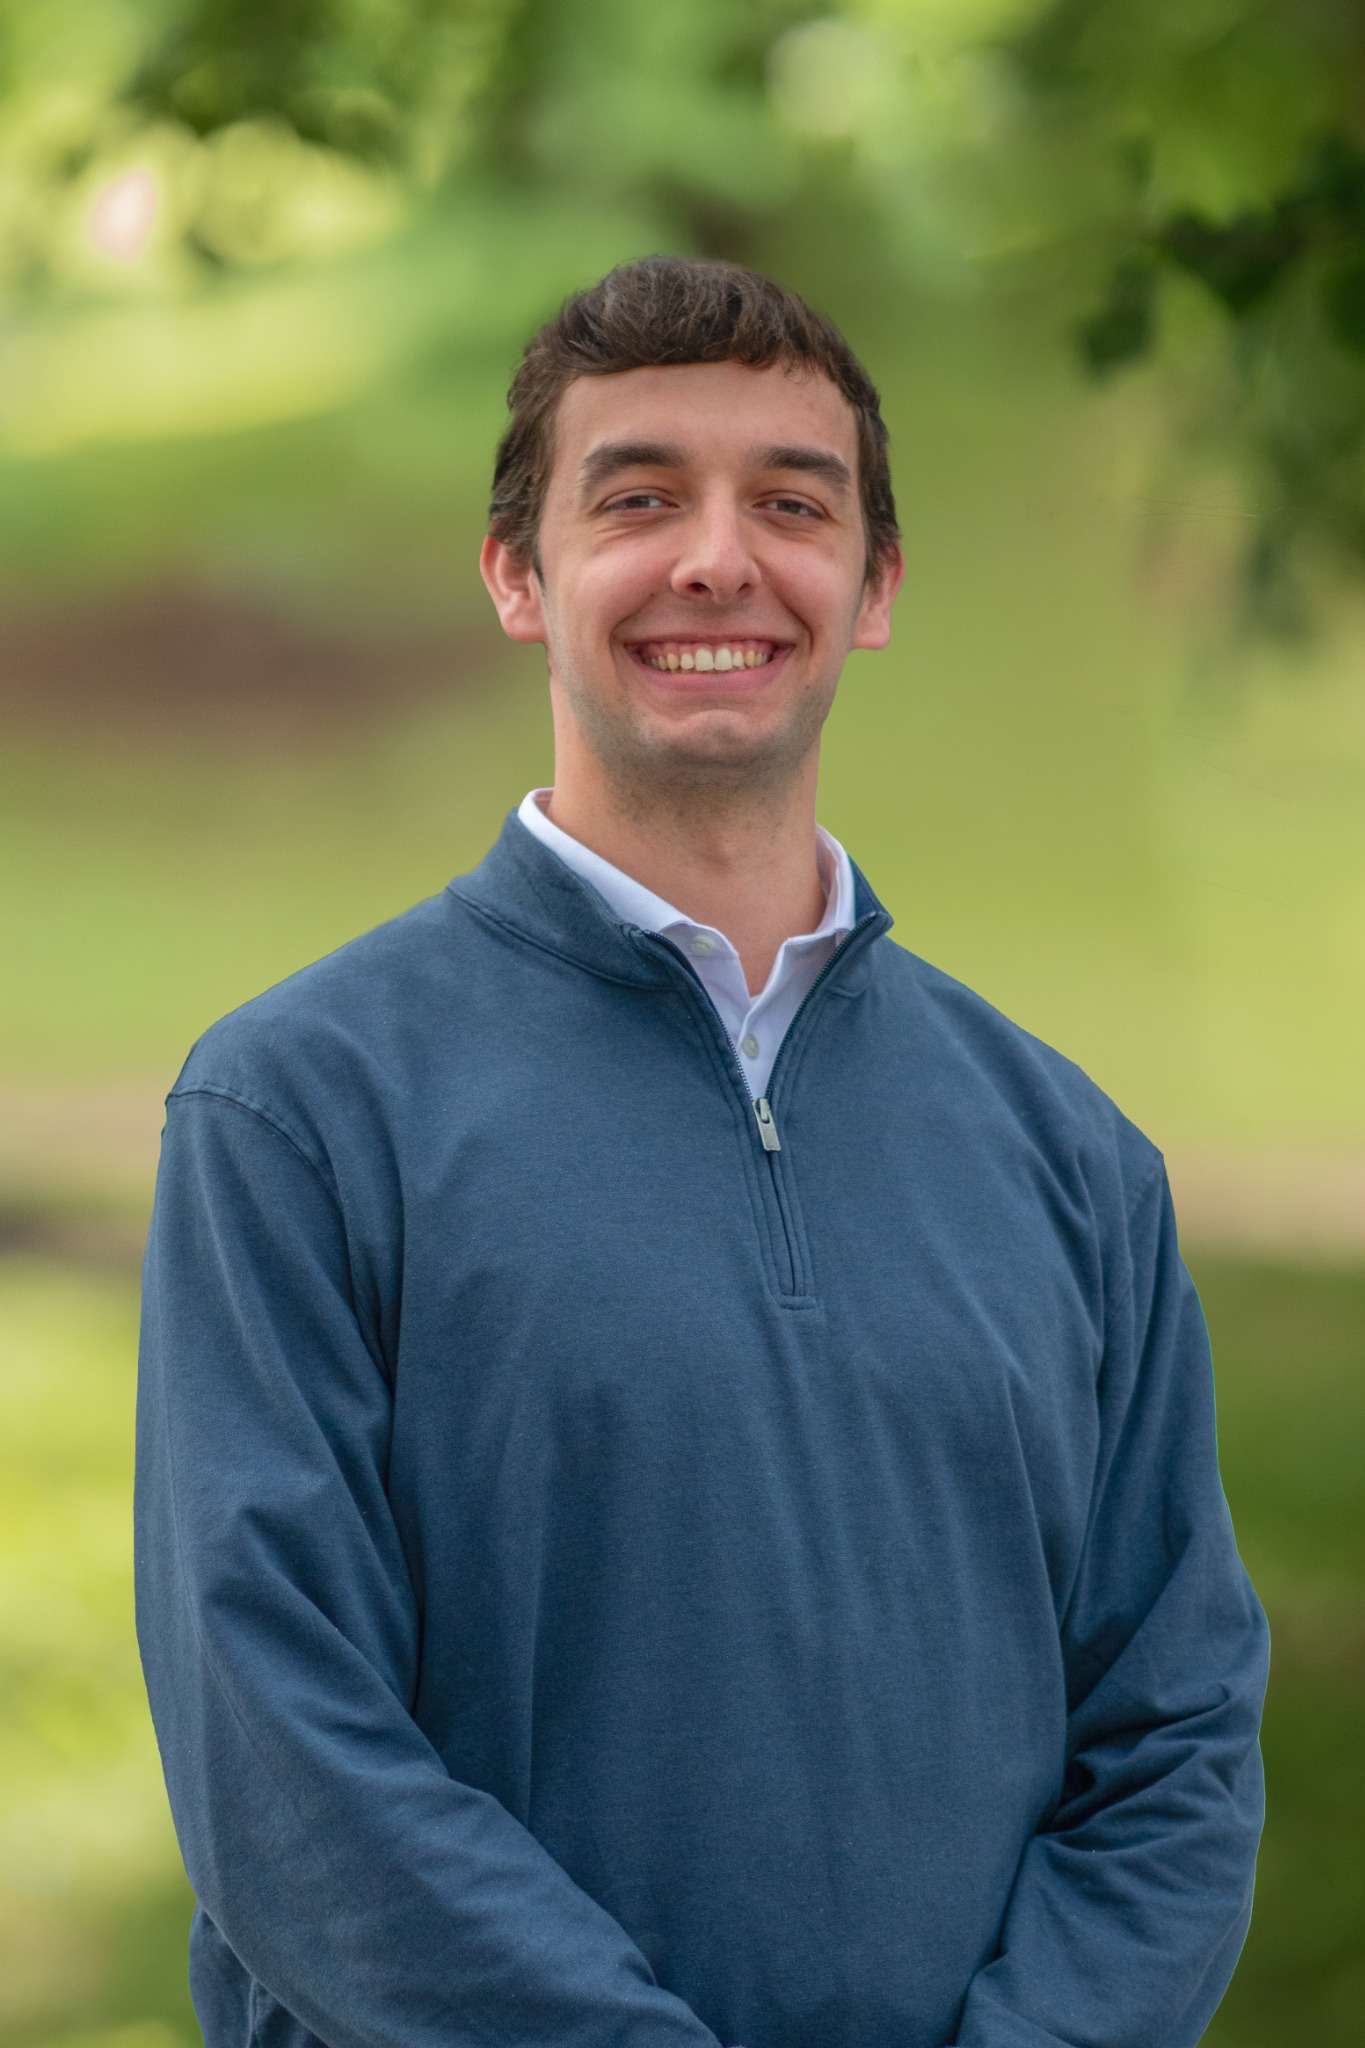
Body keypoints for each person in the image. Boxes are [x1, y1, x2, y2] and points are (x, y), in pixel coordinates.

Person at [134, 254, 1269, 2048]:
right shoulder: (298, 1112)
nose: (717, 560)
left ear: (873, 586)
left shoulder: (1068, 1157)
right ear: (520, 574)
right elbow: (285, 1753)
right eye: (639, 497)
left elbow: (1176, 1728)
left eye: (791, 506)